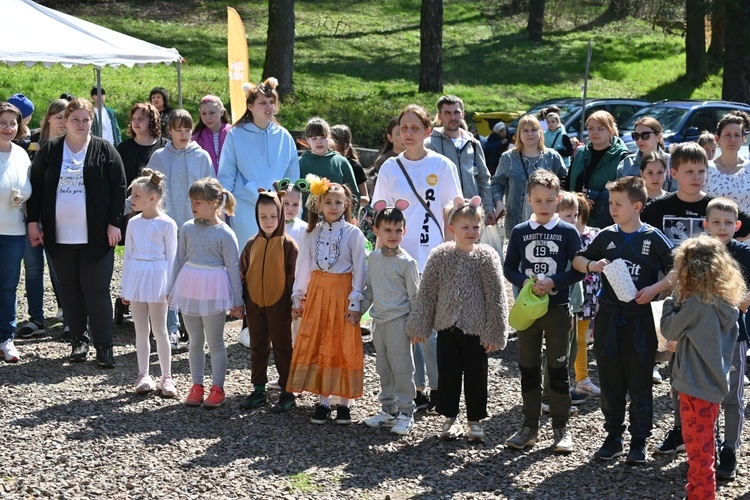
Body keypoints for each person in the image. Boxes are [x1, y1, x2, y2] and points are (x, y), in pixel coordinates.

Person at [641, 142, 750, 455]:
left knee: (721, 382)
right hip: (676, 302)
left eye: (702, 170)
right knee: (678, 375)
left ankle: (718, 446)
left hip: (718, 314)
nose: (697, 177)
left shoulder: (717, 207)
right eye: (689, 171)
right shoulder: (658, 208)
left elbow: (741, 232)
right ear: (674, 174)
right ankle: (680, 431)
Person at [572, 176, 674, 464]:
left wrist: (654, 289)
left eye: (619, 203)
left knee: (640, 381)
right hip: (608, 318)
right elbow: (578, 259)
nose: (613, 208)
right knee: (611, 379)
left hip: (641, 319)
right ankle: (613, 436)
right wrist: (593, 264)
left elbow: (676, 269)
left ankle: (639, 440)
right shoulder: (606, 236)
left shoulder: (652, 237)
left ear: (637, 205)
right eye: (611, 203)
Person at [372, 104, 463, 414]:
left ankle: (439, 387)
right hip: (398, 257)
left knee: (432, 329)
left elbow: (453, 210)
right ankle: (417, 389)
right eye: (403, 128)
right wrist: (379, 256)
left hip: (433, 255)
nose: (408, 133)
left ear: (427, 132)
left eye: (414, 128)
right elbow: (380, 214)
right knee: (405, 326)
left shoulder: (443, 165)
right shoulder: (389, 167)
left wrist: (454, 255)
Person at [27, 98, 126, 367]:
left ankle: (104, 346)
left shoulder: (105, 150)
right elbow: (35, 187)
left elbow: (119, 188)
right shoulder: (50, 150)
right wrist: (33, 222)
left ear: (92, 122)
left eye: (86, 120)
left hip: (96, 236)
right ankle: (78, 340)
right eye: (75, 120)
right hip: (60, 235)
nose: (80, 125)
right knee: (70, 290)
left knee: (96, 290)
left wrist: (114, 223)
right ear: (65, 122)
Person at [407, 196, 508, 442]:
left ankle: (474, 420)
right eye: (465, 227)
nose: (471, 232)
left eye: (475, 227)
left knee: (476, 376)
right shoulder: (440, 255)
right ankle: (449, 418)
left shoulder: (487, 256)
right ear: (452, 229)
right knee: (448, 374)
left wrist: (494, 332)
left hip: (476, 328)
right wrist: (420, 325)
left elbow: (496, 295)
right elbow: (428, 292)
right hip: (447, 327)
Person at [503, 169, 584, 453]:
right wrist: (525, 281)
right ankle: (529, 426)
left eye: (550, 200)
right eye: (538, 201)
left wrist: (554, 281)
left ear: (558, 199)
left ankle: (561, 427)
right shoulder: (520, 231)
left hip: (558, 309)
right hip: (528, 311)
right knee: (527, 367)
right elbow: (509, 266)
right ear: (528, 200)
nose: (544, 206)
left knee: (558, 368)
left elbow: (579, 269)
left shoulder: (568, 231)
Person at [661, 234, 745, 499]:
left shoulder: (696, 304)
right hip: (713, 384)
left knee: (699, 454)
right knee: (704, 447)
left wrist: (670, 301)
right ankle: (695, 492)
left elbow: (669, 328)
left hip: (694, 385)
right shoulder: (725, 303)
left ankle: (702, 495)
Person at [288, 178, 367, 425]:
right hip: (318, 292)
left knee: (343, 342)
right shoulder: (312, 233)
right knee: (321, 340)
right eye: (328, 202)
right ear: (319, 205)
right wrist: (298, 297)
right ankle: (323, 401)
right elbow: (303, 267)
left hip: (342, 293)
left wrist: (355, 302)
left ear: (346, 205)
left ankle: (344, 402)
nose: (333, 207)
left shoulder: (353, 233)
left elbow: (360, 270)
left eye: (338, 202)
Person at [169, 178, 244, 408]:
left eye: (198, 202)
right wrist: (172, 289)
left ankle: (217, 387)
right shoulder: (188, 228)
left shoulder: (225, 234)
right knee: (194, 341)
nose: (193, 206)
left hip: (214, 289)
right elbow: (179, 259)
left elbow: (233, 268)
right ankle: (197, 385)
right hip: (189, 287)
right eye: (191, 201)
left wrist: (238, 300)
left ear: (214, 204)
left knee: (215, 342)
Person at [146, 109, 214, 348]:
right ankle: (171, 330)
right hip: (167, 227)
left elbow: (213, 189)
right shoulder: (158, 157)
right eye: (178, 130)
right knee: (170, 280)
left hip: (197, 227)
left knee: (196, 280)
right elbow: (148, 191)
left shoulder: (202, 156)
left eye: (187, 129)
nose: (184, 134)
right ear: (170, 131)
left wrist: (213, 220)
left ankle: (196, 332)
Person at [218, 77, 299, 248]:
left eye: (271, 102)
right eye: (263, 102)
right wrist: (221, 207)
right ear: (250, 106)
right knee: (247, 262)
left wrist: (293, 209)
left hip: (277, 210)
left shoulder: (284, 136)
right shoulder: (235, 134)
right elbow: (226, 175)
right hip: (246, 210)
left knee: (276, 263)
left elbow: (292, 178)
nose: (269, 107)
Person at [361, 200, 420, 436]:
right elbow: (370, 290)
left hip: (400, 323)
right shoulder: (373, 259)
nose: (393, 235)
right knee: (383, 367)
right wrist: (356, 311)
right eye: (387, 230)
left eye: (398, 230)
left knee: (402, 368)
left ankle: (407, 411)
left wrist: (417, 326)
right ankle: (388, 409)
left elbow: (416, 297)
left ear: (404, 231)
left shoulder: (408, 263)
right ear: (376, 231)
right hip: (379, 323)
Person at [702, 197, 750, 480]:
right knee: (705, 396)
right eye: (716, 223)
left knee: (732, 397)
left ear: (738, 225)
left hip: (735, 336)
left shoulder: (744, 253)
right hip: (702, 337)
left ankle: (730, 449)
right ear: (706, 225)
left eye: (728, 223)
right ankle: (705, 448)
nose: (722, 228)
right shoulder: (699, 253)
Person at [238, 189, 298, 413]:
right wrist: (241, 301)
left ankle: (287, 391)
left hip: (280, 305)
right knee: (258, 346)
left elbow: (295, 277)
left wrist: (294, 304)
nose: (268, 221)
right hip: (254, 304)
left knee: (283, 348)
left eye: (273, 216)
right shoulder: (251, 243)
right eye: (263, 217)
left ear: (281, 215)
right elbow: (242, 272)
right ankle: (259, 389)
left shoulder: (288, 245)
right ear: (256, 216)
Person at [120, 169, 178, 397]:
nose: (131, 200)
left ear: (152, 198)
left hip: (158, 278)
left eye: (136, 196)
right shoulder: (133, 223)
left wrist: (172, 287)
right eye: (132, 195)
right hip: (137, 276)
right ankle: (143, 374)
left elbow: (173, 257)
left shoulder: (167, 224)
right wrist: (126, 287)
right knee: (140, 330)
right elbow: (128, 255)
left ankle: (166, 376)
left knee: (160, 330)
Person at [491, 114, 567, 239]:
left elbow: (565, 181)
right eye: (525, 130)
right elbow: (497, 184)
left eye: (533, 130)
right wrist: (498, 203)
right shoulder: (508, 158)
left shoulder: (552, 157)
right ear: (518, 134)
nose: (530, 134)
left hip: (547, 222)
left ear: (540, 132)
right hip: (516, 221)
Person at [555, 192, 600, 398]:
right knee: (576, 340)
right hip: (571, 296)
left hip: (589, 295)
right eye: (568, 216)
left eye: (575, 215)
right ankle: (581, 379)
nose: (573, 220)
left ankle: (578, 379)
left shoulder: (591, 234)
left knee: (581, 338)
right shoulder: (560, 238)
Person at [425, 95, 494, 218]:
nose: (453, 117)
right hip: (443, 214)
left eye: (456, 112)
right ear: (440, 116)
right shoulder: (429, 144)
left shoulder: (473, 144)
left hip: (472, 213)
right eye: (447, 113)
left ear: (462, 114)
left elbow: (484, 178)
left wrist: (488, 207)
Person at [0, 102, 32, 363]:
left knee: (9, 287)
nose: (7, 127)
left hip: (14, 230)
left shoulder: (21, 154)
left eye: (12, 123)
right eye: (2, 122)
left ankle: (5, 338)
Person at [568, 111, 630, 228]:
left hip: (604, 224)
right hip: (575, 219)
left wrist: (599, 197)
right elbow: (568, 181)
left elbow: (626, 193)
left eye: (600, 129)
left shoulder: (622, 156)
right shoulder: (580, 153)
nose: (595, 132)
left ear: (610, 130)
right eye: (591, 128)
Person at [298, 117, 360, 220]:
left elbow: (353, 194)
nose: (319, 142)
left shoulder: (340, 162)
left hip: (338, 222)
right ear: (307, 140)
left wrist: (350, 217)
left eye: (322, 137)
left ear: (329, 137)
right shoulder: (300, 163)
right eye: (314, 138)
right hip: (307, 222)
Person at [705, 111, 750, 214]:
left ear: (743, 139)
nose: (732, 139)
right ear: (717, 138)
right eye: (728, 135)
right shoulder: (706, 169)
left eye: (737, 135)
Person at [616, 117, 674, 191]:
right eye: (636, 136)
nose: (640, 140)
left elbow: (676, 195)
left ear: (659, 137)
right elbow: (619, 194)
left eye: (645, 135)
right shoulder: (626, 163)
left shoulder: (672, 162)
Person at [331, 124, 369, 207]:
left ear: (345, 144)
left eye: (334, 141)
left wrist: (343, 198)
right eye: (328, 140)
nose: (329, 144)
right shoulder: (326, 163)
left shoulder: (354, 166)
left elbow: (366, 199)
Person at [192, 95, 231, 175]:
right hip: (207, 183)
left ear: (222, 112)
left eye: (212, 113)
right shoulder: (197, 138)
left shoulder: (232, 133)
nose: (208, 117)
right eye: (204, 113)